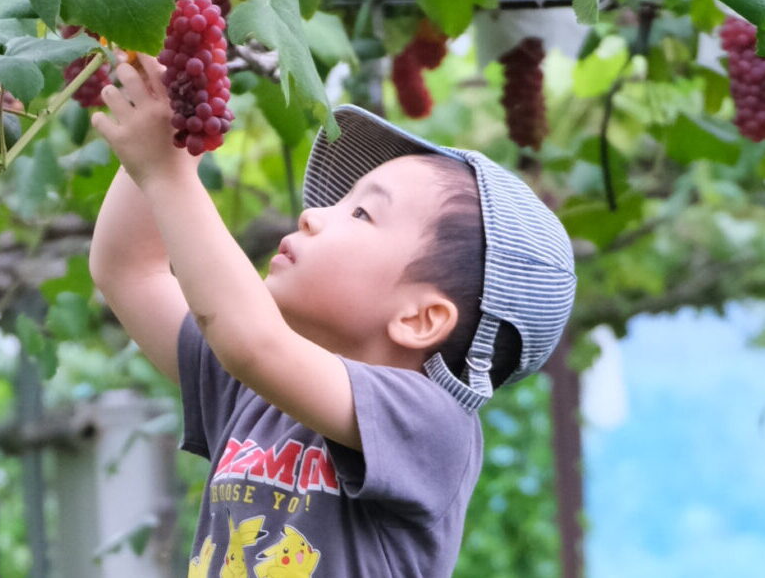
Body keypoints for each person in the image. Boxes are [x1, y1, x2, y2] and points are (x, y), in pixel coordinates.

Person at [88, 54, 576, 577]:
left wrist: (168, 176)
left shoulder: (431, 427)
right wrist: (182, 132)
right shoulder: (255, 394)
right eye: (342, 200)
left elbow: (251, 342)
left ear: (420, 319)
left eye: (362, 213)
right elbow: (129, 270)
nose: (312, 214)